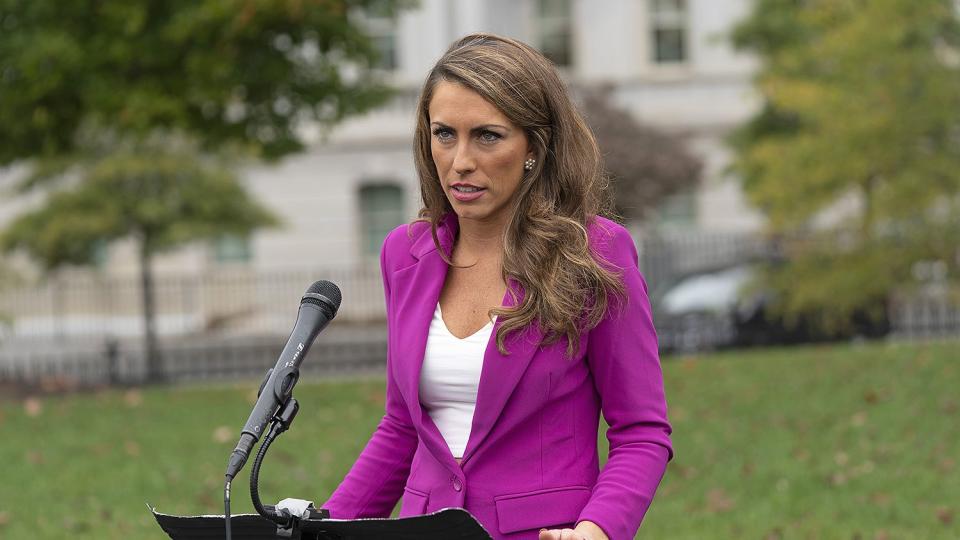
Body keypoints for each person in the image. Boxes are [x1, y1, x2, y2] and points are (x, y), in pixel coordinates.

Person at [323, 33, 673, 540]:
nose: (460, 160)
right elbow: (401, 429)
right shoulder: (404, 254)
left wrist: (598, 529)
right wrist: (318, 527)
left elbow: (641, 431)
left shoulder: (595, 254)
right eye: (444, 134)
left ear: (535, 146)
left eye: (486, 136)